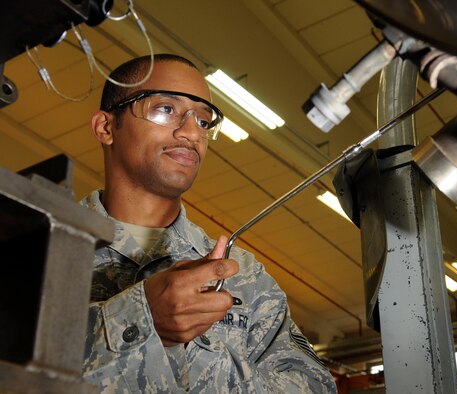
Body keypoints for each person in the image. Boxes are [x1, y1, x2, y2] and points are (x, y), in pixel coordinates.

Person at [80, 53, 337, 393]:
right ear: (106, 127)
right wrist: (138, 320)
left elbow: (314, 386)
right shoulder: (36, 250)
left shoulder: (243, 274)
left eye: (203, 121)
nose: (191, 132)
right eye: (165, 109)